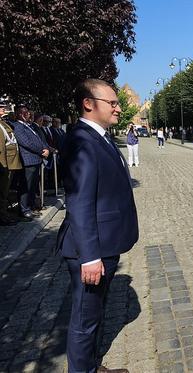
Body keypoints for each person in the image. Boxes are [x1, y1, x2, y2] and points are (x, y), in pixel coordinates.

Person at [55, 79, 138, 373]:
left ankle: (91, 364)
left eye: (117, 102)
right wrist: (90, 256)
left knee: (94, 313)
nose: (118, 108)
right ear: (88, 104)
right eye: (112, 103)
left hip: (105, 243)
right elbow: (79, 201)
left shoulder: (98, 137)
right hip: (92, 249)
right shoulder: (81, 140)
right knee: (84, 319)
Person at [12, 105, 50, 219]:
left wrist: (45, 148)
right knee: (26, 186)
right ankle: (24, 210)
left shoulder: (29, 126)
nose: (29, 114)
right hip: (28, 160)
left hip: (36, 159)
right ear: (20, 114)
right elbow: (25, 142)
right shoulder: (18, 126)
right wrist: (41, 151)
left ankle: (31, 206)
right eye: (26, 112)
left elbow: (38, 139)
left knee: (33, 186)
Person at [0, 103, 23, 225]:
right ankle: (2, 216)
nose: (3, 108)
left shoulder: (3, 122)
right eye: (1, 107)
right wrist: (3, 166)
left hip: (11, 161)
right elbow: (1, 147)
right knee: (2, 191)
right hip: (6, 163)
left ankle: (4, 214)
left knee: (5, 190)